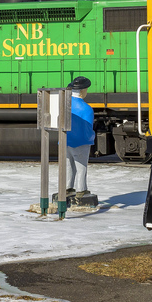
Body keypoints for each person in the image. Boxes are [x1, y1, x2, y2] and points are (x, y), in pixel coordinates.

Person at [65, 76, 97, 208]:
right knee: (81, 168)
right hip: (81, 143)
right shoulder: (87, 108)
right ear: (83, 91)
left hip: (66, 141)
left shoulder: (65, 105)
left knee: (68, 166)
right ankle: (81, 190)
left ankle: (67, 188)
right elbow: (88, 129)